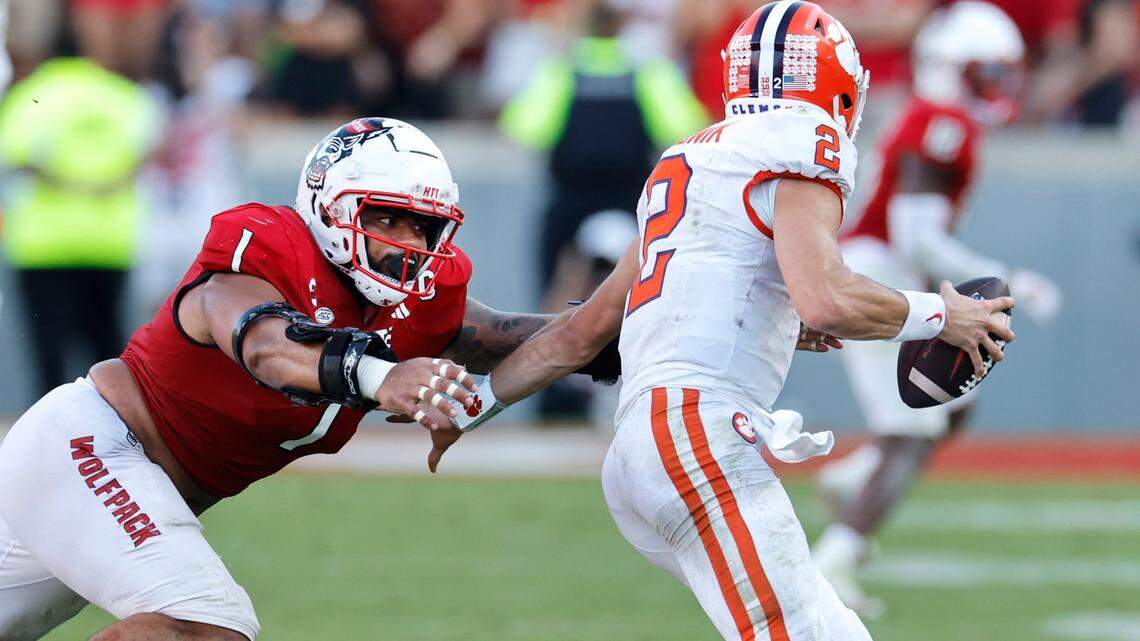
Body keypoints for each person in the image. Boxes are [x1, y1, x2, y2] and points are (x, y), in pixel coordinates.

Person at [429, 3, 1015, 639]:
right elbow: (825, 297)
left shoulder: (687, 160)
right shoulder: (804, 143)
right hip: (695, 434)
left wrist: (475, 405)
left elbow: (584, 331)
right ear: (833, 82)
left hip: (638, 451)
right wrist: (941, 316)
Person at [0, 118, 612, 640]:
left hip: (122, 490)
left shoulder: (418, 298)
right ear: (331, 204)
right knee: (205, 622)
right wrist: (379, 376)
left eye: (423, 227)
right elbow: (267, 345)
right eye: (389, 220)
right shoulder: (268, 246)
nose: (408, 245)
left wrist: (618, 336)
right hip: (93, 448)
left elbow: (507, 334)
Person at [810, 1, 1063, 616]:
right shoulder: (941, 120)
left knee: (952, 400)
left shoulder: (939, 115)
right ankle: (830, 567)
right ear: (955, 69)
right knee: (911, 430)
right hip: (878, 269)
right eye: (988, 73)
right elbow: (914, 234)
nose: (999, 87)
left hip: (886, 266)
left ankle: (852, 477)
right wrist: (1009, 279)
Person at [0, 57, 160, 397]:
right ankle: (115, 436)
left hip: (43, 245)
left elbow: (16, 155)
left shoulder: (32, 93)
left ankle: (53, 439)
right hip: (108, 242)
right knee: (107, 352)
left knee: (49, 355)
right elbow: (152, 146)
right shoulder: (121, 94)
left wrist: (69, 182)